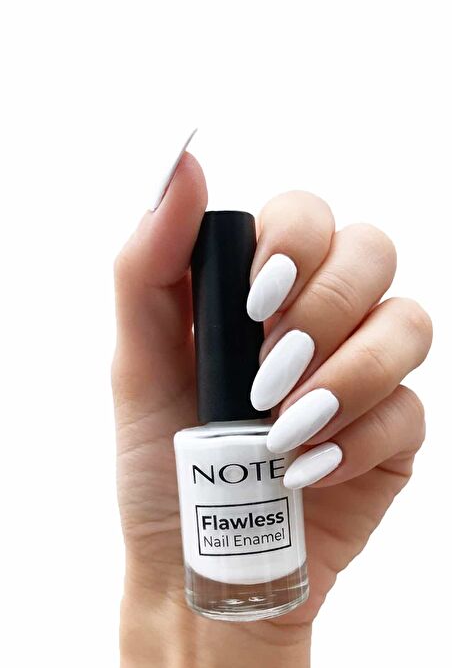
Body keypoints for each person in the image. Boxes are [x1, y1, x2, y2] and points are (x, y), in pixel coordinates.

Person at [112, 150, 432, 667]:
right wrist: (170, 608)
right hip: (205, 587)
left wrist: (249, 648)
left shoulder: (275, 437)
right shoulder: (189, 440)